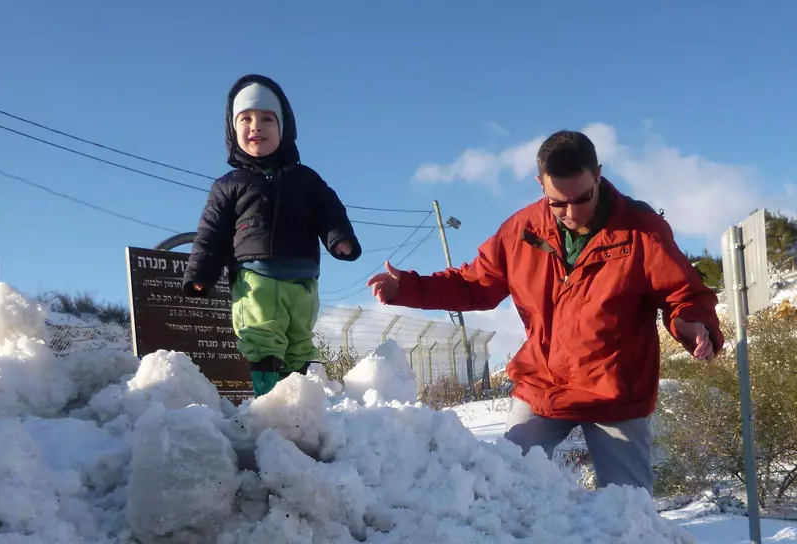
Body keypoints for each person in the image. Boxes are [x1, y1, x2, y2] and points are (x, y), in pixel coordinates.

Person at [367, 130, 723, 492]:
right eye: (557, 203)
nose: (570, 212)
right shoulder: (520, 231)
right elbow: (473, 284)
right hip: (544, 384)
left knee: (631, 512)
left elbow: (683, 292)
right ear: (540, 185)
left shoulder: (642, 230)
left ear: (598, 174)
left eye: (582, 198)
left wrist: (691, 325)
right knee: (504, 485)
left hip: (615, 391)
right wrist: (407, 287)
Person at [183, 73, 361, 396]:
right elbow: (211, 235)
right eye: (246, 119)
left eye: (267, 118)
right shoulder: (228, 185)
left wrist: (339, 238)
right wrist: (201, 273)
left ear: (284, 128)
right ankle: (269, 400)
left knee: (299, 342)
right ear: (232, 130)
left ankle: (302, 404)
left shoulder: (305, 179)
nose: (256, 126)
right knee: (262, 337)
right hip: (256, 281)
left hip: (302, 282)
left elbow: (329, 209)